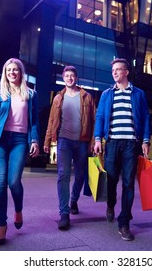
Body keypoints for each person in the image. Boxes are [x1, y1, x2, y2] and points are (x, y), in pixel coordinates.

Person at [0, 58, 40, 246]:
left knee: (13, 181)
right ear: (5, 73)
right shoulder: (0, 95)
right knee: (0, 182)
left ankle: (18, 209)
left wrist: (34, 140)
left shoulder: (31, 94)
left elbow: (34, 121)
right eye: (9, 70)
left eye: (15, 70)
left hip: (20, 140)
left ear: (21, 72)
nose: (12, 73)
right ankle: (2, 225)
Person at [93, 58, 151, 241]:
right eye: (113, 71)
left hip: (131, 144)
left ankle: (124, 222)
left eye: (119, 70)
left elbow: (146, 118)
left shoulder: (139, 94)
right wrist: (97, 139)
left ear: (126, 72)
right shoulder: (107, 94)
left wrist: (146, 140)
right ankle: (110, 204)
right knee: (110, 181)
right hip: (112, 143)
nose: (115, 73)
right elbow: (100, 117)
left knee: (128, 183)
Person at [44, 66, 95, 230]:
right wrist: (47, 141)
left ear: (76, 78)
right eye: (67, 76)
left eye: (72, 75)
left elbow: (94, 121)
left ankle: (74, 200)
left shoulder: (86, 97)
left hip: (82, 142)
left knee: (80, 175)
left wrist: (94, 141)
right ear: (63, 78)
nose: (69, 78)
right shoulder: (58, 98)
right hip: (64, 141)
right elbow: (52, 121)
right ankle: (64, 213)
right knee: (63, 174)